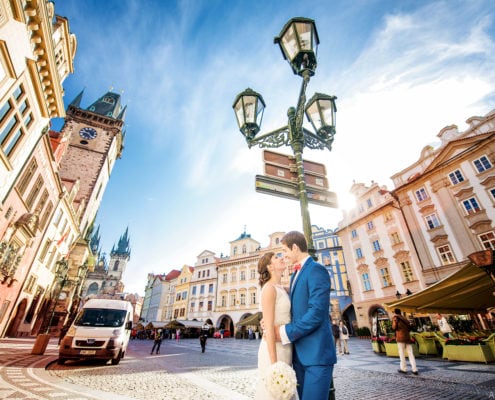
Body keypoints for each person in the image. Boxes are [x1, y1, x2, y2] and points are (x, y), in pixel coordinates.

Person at [275, 231, 337, 400]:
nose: (284, 255)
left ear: (295, 247)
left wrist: (283, 332)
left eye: (284, 250)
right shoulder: (296, 274)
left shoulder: (317, 270)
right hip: (299, 357)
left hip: (317, 356)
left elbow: (316, 313)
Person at [255, 251, 294, 400]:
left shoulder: (281, 288)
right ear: (270, 267)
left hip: (285, 346)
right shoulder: (269, 289)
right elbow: (269, 329)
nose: (281, 258)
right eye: (277, 258)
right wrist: (274, 365)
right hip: (274, 350)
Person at [392, 308, 418, 375]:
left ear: (395, 312)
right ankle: (414, 369)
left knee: (402, 354)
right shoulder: (405, 318)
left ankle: (404, 369)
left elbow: (394, 327)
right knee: (411, 353)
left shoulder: (395, 318)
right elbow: (409, 328)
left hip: (400, 338)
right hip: (407, 337)